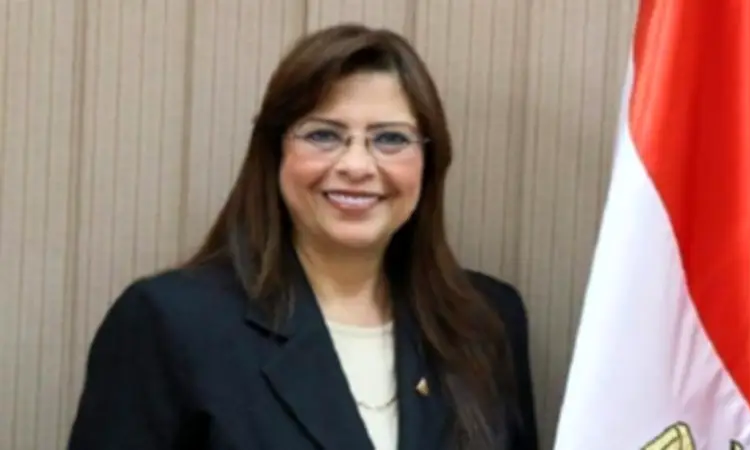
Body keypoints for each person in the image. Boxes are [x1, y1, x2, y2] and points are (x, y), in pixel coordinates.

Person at [67, 24, 538, 450]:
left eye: (390, 138)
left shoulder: (486, 321)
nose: (357, 165)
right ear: (275, 154)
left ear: (429, 162)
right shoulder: (170, 322)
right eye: (324, 135)